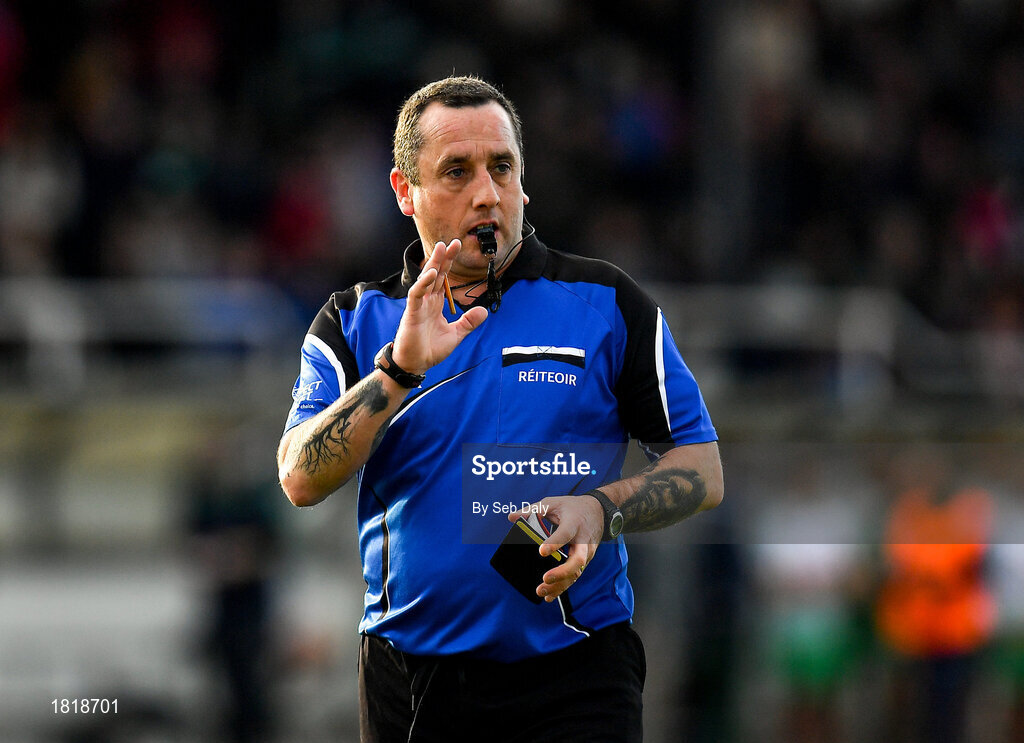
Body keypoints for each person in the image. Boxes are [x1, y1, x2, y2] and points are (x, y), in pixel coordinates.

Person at [276, 75, 723, 743]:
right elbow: (299, 478)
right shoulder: (355, 320)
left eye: (502, 167)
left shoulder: (606, 302)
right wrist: (397, 374)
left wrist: (601, 508)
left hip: (578, 669)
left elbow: (703, 469)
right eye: (457, 171)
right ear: (404, 190)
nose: (487, 193)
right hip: (412, 678)